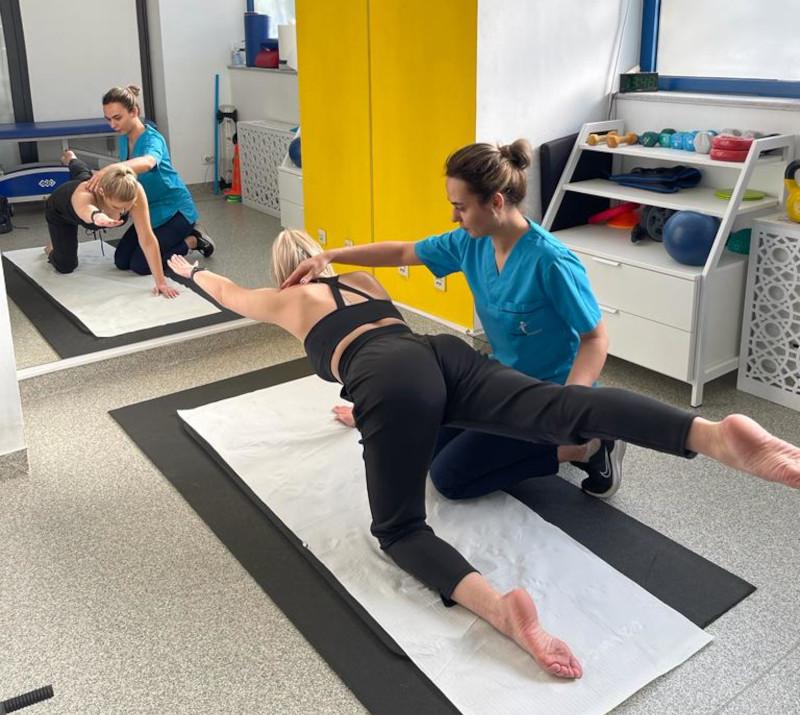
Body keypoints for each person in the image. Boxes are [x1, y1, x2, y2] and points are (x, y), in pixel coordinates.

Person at [168, 229, 800, 680]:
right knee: (561, 406)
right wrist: (368, 408)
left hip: (391, 383)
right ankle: (711, 435)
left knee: (399, 528)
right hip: (442, 355)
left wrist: (190, 271)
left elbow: (229, 292)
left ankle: (501, 611)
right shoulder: (360, 280)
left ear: (285, 271)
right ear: (319, 254)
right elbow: (387, 344)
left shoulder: (287, 299)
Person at [280, 139, 622, 502]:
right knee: (426, 450)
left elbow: (595, 339)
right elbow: (403, 251)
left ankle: (585, 446)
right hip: (499, 379)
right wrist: (330, 255)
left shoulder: (551, 262)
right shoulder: (470, 242)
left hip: (547, 393)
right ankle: (531, 442)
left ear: (496, 203)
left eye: (460, 207)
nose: (454, 218)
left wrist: (569, 404)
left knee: (449, 479)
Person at [85, 84, 215, 277]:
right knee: (121, 261)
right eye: (109, 119)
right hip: (149, 211)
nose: (112, 125)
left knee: (140, 266)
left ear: (134, 111)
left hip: (176, 212)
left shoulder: (153, 139)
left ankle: (193, 240)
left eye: (117, 118)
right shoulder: (124, 139)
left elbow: (147, 162)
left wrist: (112, 168)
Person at [44, 150, 178, 298]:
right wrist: (97, 216)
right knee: (66, 266)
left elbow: (147, 238)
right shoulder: (84, 195)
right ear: (102, 192)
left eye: (127, 207)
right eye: (117, 207)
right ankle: (52, 246)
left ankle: (72, 158)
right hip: (61, 211)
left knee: (84, 175)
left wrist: (161, 282)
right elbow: (85, 209)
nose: (123, 211)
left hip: (87, 182)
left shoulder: (134, 190)